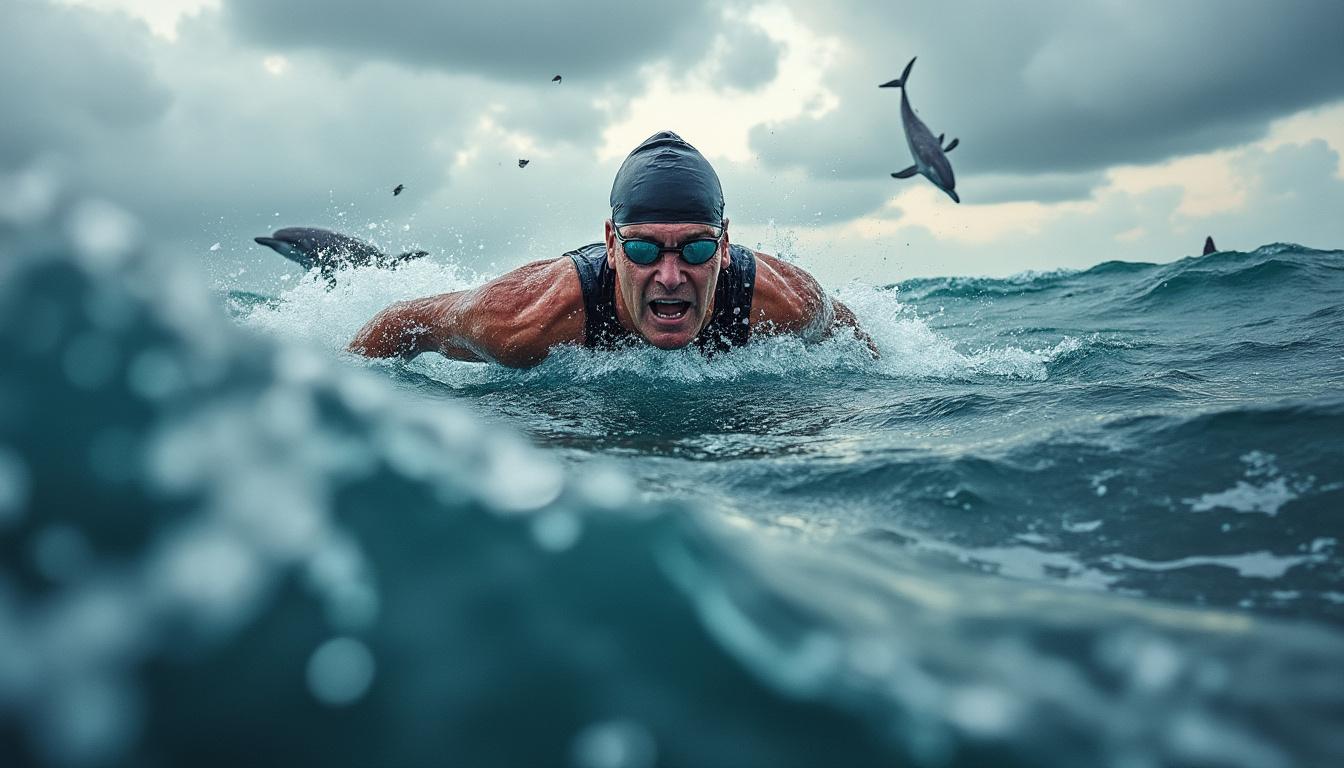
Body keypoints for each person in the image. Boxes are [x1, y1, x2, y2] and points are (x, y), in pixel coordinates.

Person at [348, 131, 873, 367]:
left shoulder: (785, 302)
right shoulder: (524, 320)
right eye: (644, 251)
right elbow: (400, 321)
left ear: (726, 246)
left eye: (694, 250)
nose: (670, 276)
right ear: (611, 245)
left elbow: (853, 341)